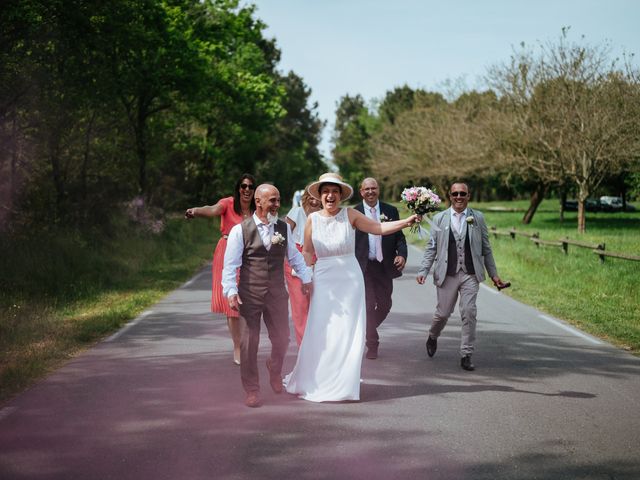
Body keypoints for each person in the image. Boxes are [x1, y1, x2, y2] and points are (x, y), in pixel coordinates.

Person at [283, 173, 419, 403]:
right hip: (324, 279)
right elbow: (307, 251)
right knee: (322, 329)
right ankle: (318, 377)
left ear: (341, 195)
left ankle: (344, 381)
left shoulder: (351, 215)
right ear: (320, 195)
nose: (330, 196)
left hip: (350, 279)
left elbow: (378, 228)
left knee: (348, 331)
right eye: (326, 191)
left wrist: (405, 222)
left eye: (335, 191)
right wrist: (305, 277)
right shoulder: (312, 220)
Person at [222, 184, 312, 408]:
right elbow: (230, 265)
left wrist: (306, 278)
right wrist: (231, 291)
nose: (277, 205)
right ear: (258, 201)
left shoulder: (283, 227)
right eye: (272, 200)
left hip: (276, 293)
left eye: (278, 200)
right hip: (249, 294)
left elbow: (295, 257)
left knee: (282, 339)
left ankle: (274, 366)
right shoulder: (240, 230)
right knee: (248, 343)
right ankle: (252, 389)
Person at [416, 181, 506, 371]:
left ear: (468, 196)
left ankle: (466, 354)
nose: (459, 197)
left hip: (470, 274)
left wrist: (494, 275)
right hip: (447, 274)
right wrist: (424, 270)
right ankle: (433, 336)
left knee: (469, 312)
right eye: (455, 194)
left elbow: (486, 249)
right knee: (442, 314)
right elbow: (432, 247)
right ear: (450, 196)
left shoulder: (478, 218)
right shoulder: (439, 219)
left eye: (462, 194)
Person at [185, 173, 256, 365]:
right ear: (238, 188)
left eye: (250, 187)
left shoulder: (257, 209)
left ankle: (246, 343)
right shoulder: (227, 203)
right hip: (227, 253)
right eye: (243, 186)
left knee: (248, 302)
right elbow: (212, 209)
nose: (247, 190)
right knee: (231, 304)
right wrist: (196, 211)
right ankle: (238, 346)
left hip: (249, 256)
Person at [354, 177, 408, 360]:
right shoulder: (354, 212)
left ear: (378, 190)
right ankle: (372, 343)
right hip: (363, 266)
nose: (370, 191)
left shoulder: (390, 210)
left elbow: (399, 237)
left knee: (385, 305)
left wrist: (402, 254)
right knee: (369, 306)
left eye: (373, 188)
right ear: (361, 192)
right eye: (366, 189)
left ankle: (365, 328)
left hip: (384, 266)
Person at [284, 187, 322, 345]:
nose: (314, 201)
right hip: (296, 258)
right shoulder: (296, 212)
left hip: (319, 258)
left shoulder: (323, 216)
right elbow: (283, 236)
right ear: (305, 197)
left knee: (316, 304)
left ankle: (318, 343)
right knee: (300, 304)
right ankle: (304, 346)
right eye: (310, 198)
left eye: (317, 198)